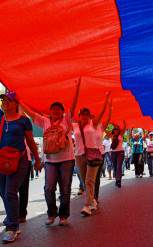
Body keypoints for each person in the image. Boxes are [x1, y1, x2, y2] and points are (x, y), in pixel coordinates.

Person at [21, 78, 80, 226]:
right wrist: (19, 100)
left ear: (62, 112)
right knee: (48, 188)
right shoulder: (44, 121)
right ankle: (52, 213)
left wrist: (77, 89)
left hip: (67, 159)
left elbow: (73, 106)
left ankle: (64, 216)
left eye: (58, 109)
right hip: (50, 161)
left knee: (65, 188)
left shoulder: (67, 120)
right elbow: (30, 113)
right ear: (50, 111)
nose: (55, 110)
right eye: (53, 109)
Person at [0, 91, 41, 243]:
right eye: (3, 100)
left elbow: (30, 142)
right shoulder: (1, 118)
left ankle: (13, 227)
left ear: (16, 104)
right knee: (3, 192)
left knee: (10, 192)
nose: (4, 102)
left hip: (20, 160)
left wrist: (37, 159)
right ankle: (12, 217)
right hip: (2, 160)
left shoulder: (24, 121)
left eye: (8, 100)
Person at [72, 93, 111, 216]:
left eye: (86, 114)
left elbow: (103, 113)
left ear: (89, 116)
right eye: (82, 114)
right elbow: (70, 112)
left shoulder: (93, 124)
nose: (84, 115)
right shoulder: (74, 126)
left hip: (93, 154)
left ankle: (87, 205)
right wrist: (76, 92)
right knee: (85, 181)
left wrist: (106, 101)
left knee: (89, 181)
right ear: (78, 116)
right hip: (79, 155)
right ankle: (93, 200)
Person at [110, 121, 126, 187]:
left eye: (117, 129)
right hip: (113, 152)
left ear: (118, 130)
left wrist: (124, 122)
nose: (116, 130)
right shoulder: (111, 135)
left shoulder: (121, 135)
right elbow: (104, 129)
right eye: (115, 129)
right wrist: (112, 124)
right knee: (115, 166)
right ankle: (117, 179)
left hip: (120, 152)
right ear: (113, 130)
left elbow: (124, 128)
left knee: (119, 166)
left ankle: (119, 180)